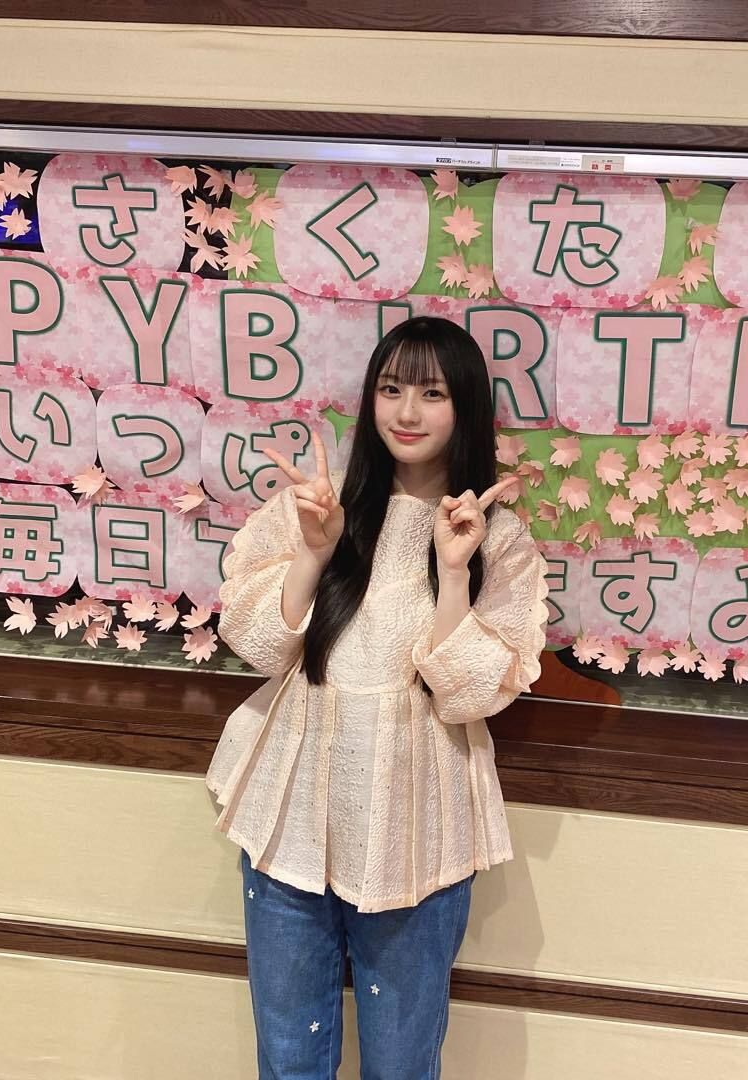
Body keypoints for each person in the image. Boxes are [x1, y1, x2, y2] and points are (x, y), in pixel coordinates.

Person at [206, 316, 549, 1079]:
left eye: (432, 393)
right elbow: (257, 644)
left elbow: (469, 695)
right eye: (391, 389)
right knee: (289, 1059)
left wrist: (454, 571)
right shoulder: (319, 505)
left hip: (418, 831)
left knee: (401, 1064)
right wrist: (315, 551)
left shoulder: (497, 539)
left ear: (466, 406)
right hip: (292, 821)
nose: (407, 411)